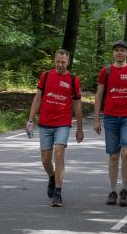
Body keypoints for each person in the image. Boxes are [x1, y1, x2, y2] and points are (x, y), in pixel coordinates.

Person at [26, 49, 84, 207]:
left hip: (62, 124)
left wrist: (79, 128)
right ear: (54, 61)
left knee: (59, 153)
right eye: (58, 61)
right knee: (45, 160)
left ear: (68, 62)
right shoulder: (46, 76)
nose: (60, 64)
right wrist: (30, 120)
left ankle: (58, 192)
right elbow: (38, 97)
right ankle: (52, 177)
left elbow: (77, 105)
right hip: (45, 123)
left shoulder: (73, 80)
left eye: (63, 62)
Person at [93, 40, 127, 207]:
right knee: (114, 155)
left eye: (122, 50)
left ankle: (125, 190)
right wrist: (96, 119)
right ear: (113, 53)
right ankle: (113, 191)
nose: (119, 53)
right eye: (116, 50)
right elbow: (99, 96)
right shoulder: (105, 72)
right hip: (110, 117)